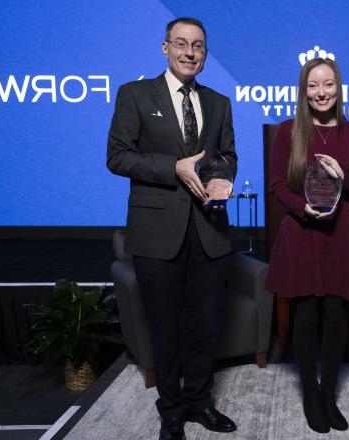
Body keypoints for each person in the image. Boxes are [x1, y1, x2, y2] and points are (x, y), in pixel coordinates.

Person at [107, 17, 238, 440]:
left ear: (205, 52)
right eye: (180, 44)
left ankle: (200, 402)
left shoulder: (219, 102)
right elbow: (117, 157)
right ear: (165, 48)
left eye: (198, 46)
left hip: (209, 229)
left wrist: (223, 178)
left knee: (204, 325)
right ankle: (172, 410)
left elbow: (228, 155)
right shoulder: (135, 94)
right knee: (164, 327)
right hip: (155, 232)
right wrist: (172, 168)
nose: (189, 52)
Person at [265, 58, 349, 433]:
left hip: (341, 235)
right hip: (302, 231)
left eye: (328, 84)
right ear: (303, 90)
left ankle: (329, 393)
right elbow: (277, 186)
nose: (321, 92)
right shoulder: (288, 131)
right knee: (306, 315)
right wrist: (304, 208)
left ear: (338, 87)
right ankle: (311, 396)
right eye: (313, 86)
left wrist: (341, 176)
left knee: (335, 316)